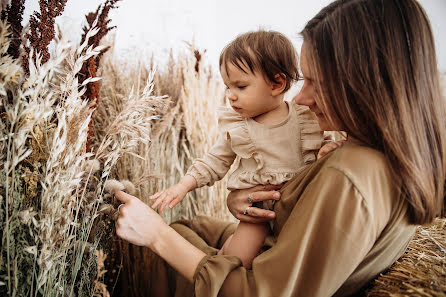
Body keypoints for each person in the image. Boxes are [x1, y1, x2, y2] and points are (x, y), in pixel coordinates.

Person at [114, 0, 446, 296]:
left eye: (315, 81)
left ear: (363, 81)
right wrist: (245, 202)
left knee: (174, 237)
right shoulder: (381, 154)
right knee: (192, 228)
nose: (300, 98)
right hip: (272, 245)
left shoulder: (350, 175)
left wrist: (155, 234)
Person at [148, 30, 325, 268]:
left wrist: (327, 150)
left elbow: (315, 153)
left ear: (276, 83)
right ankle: (227, 249)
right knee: (238, 261)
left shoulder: (305, 120)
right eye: (228, 87)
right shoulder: (239, 128)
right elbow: (214, 161)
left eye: (240, 86)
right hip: (257, 213)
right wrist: (183, 186)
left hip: (298, 211)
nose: (230, 96)